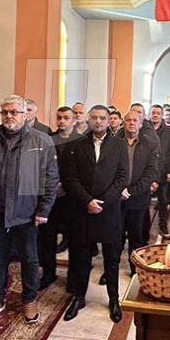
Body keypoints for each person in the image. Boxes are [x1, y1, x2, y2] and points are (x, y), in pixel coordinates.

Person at [0, 95, 59, 325]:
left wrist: (44, 210)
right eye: (5, 112)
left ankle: (29, 300)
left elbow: (50, 179)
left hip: (26, 213)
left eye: (14, 112)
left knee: (29, 259)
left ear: (24, 114)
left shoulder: (41, 141)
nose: (9, 116)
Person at [61, 105, 129, 323]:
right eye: (95, 118)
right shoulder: (77, 144)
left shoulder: (119, 145)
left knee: (111, 259)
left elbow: (122, 177)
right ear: (88, 121)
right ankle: (79, 297)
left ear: (109, 121)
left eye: (102, 118)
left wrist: (104, 201)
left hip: (109, 211)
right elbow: (70, 178)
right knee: (80, 257)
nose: (98, 122)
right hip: (83, 209)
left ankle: (114, 299)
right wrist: (88, 201)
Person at [38, 106, 84, 288]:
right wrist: (52, 185)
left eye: (66, 118)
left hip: (72, 198)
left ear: (73, 120)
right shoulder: (48, 140)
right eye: (59, 118)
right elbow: (41, 166)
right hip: (50, 197)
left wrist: (65, 185)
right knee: (47, 238)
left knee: (73, 239)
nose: (62, 121)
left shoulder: (81, 141)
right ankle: (48, 273)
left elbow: (83, 171)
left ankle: (73, 278)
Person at [115, 110, 159, 276]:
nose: (132, 123)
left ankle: (134, 268)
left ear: (141, 123)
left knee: (136, 237)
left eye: (135, 120)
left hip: (138, 198)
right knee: (115, 237)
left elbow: (151, 173)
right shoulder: (114, 142)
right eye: (128, 120)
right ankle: (111, 268)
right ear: (123, 123)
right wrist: (119, 189)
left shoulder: (149, 144)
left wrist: (131, 190)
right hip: (116, 198)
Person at [150, 104, 170, 237]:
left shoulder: (169, 132)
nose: (155, 115)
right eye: (153, 112)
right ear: (150, 115)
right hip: (146, 172)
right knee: (143, 202)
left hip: (162, 170)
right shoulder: (144, 129)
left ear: (161, 115)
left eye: (158, 113)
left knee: (163, 200)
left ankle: (163, 226)